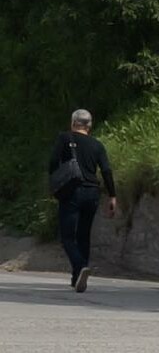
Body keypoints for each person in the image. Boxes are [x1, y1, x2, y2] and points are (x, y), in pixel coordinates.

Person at [47, 109, 118, 292]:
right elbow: (106, 171)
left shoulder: (64, 138)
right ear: (89, 125)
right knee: (83, 235)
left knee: (67, 236)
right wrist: (112, 196)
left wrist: (55, 183)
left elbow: (53, 162)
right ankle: (76, 279)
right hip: (92, 193)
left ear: (73, 123)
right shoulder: (97, 145)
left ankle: (79, 267)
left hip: (72, 191)